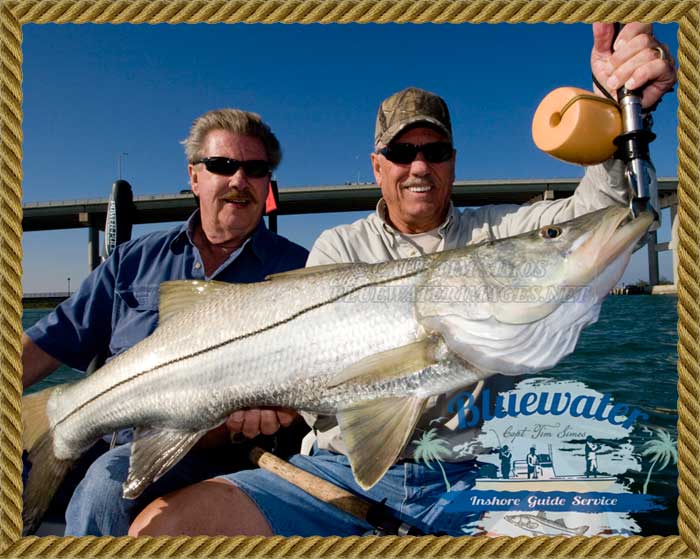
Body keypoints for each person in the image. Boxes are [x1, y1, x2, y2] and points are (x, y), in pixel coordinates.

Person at [128, 23, 676, 537]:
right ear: (377, 166)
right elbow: (309, 381)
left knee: (604, 532)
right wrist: (255, 403)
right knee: (164, 525)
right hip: (335, 474)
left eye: (434, 152)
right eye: (401, 152)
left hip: (480, 471)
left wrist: (621, 111)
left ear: (453, 163)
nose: (418, 166)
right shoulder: (338, 249)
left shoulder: (504, 230)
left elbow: (601, 213)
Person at [21, 108, 309, 536]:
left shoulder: (303, 271)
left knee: (106, 484)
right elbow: (48, 342)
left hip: (222, 457)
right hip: (106, 438)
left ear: (268, 182)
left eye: (255, 168)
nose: (238, 180)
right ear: (195, 177)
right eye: (222, 166)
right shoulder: (132, 261)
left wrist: (286, 410)